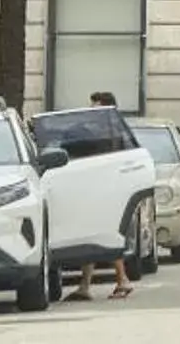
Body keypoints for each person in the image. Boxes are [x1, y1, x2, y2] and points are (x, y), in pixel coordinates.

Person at [70, 95, 133, 299]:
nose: (90, 110)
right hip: (101, 190)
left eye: (95, 107)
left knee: (105, 236)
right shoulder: (115, 129)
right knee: (95, 235)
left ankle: (122, 280)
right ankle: (86, 285)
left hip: (106, 191)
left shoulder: (107, 132)